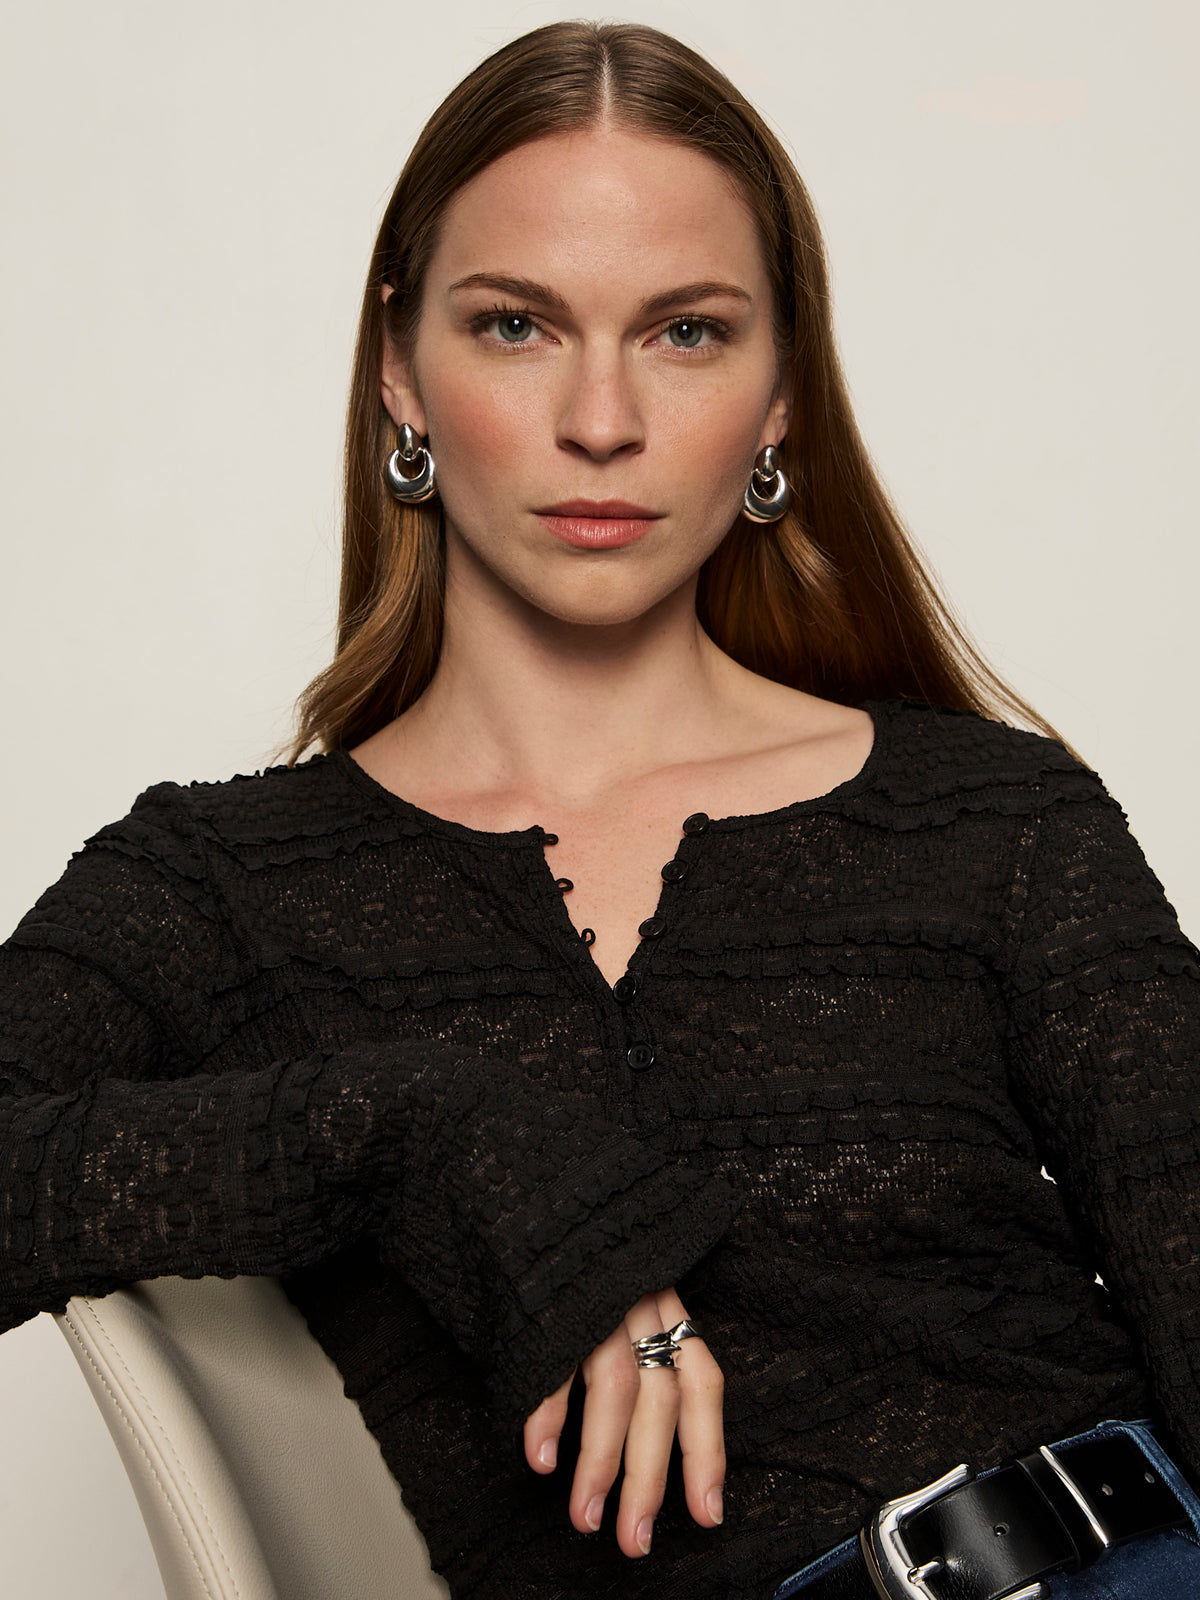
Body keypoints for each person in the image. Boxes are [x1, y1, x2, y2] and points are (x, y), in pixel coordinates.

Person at [2, 18, 1197, 1600]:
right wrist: (432, 1136)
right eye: (516, 326)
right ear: (397, 370)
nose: (603, 421)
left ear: (782, 399)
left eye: (688, 334)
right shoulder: (222, 885)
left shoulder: (1000, 822)